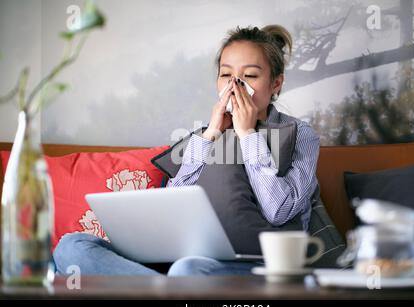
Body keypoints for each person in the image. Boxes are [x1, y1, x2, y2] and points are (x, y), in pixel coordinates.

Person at [53, 24, 320, 276]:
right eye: (226, 75)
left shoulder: (301, 135)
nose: (236, 85)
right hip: (185, 256)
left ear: (276, 83)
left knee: (189, 270)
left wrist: (247, 134)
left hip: (255, 266)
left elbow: (279, 210)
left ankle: (156, 286)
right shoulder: (204, 134)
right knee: (71, 247)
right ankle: (165, 288)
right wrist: (211, 134)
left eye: (249, 76)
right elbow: (174, 205)